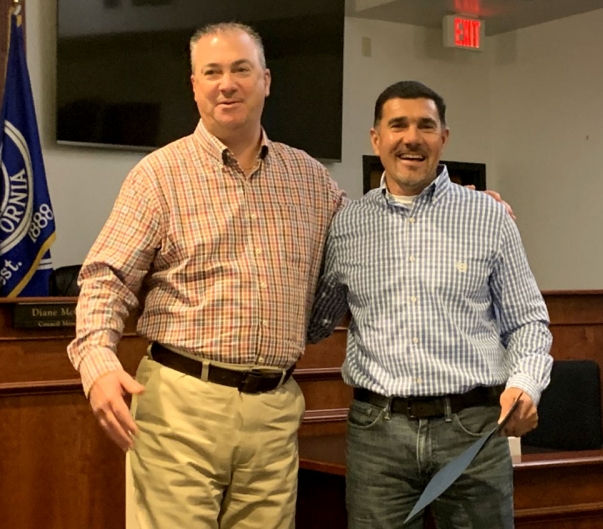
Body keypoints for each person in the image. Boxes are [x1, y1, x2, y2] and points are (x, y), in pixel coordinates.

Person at [67, 22, 345, 529]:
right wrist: (97, 363)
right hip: (179, 406)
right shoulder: (158, 175)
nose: (227, 83)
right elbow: (106, 277)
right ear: (194, 86)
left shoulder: (311, 180)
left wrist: (462, 207)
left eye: (241, 69)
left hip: (275, 412)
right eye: (211, 72)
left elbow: (375, 238)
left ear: (266, 80)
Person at [308, 80, 553, 529]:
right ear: (376, 138)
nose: (412, 138)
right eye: (397, 125)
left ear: (444, 137)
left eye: (426, 125)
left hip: (473, 430)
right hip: (377, 433)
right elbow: (315, 321)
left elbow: (528, 322)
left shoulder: (489, 217)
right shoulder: (346, 225)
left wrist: (526, 383)